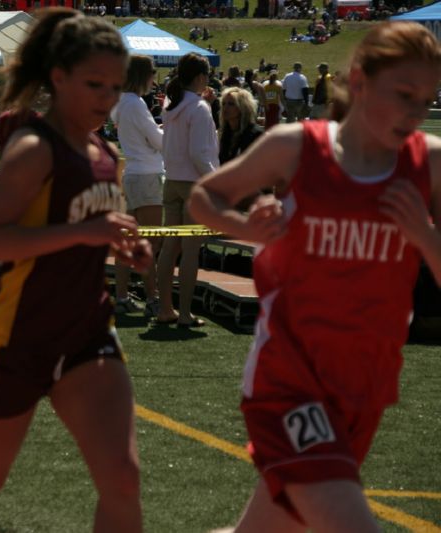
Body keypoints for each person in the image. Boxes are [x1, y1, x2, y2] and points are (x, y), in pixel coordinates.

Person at [188, 21, 441, 532]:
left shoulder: (429, 164)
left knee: (279, 526)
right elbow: (203, 197)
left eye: (428, 98)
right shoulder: (296, 148)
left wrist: (424, 234)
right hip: (289, 377)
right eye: (405, 94)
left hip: (366, 382)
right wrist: (247, 228)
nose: (417, 111)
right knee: (348, 522)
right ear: (361, 81)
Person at [0, 8, 150, 533]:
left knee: (123, 478)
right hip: (15, 341)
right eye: (94, 84)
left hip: (87, 334)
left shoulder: (104, 154)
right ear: (58, 77)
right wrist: (85, 233)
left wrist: (123, 249)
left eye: (115, 87)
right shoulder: (32, 149)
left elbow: (91, 233)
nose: (105, 99)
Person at [156, 52, 218, 327]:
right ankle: (184, 313)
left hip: (171, 181)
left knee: (170, 248)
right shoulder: (199, 108)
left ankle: (165, 309)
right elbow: (198, 154)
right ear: (202, 77)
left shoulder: (172, 105)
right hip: (194, 183)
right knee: (190, 251)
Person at [110, 54, 163, 317]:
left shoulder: (122, 102)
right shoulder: (136, 103)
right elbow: (158, 142)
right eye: (152, 74)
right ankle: (153, 298)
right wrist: (168, 129)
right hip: (146, 174)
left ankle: (121, 295)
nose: (155, 80)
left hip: (132, 173)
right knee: (149, 243)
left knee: (129, 241)